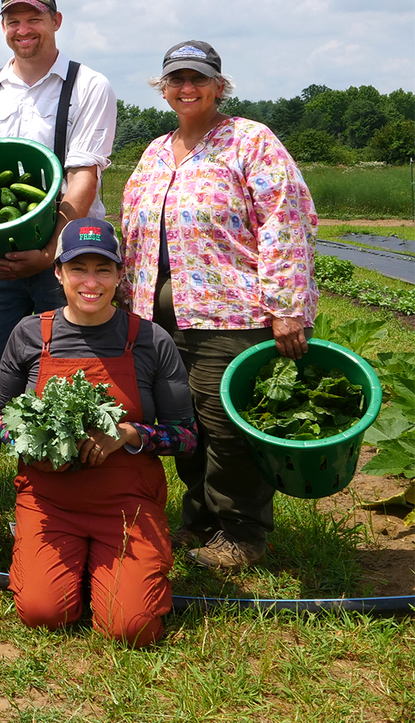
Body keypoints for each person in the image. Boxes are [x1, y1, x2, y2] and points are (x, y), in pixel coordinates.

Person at [120, 40, 318, 570]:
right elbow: (133, 231)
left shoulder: (249, 140)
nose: (187, 88)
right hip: (158, 320)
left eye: (198, 78)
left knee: (225, 427)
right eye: (177, 79)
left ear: (219, 86)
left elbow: (286, 221)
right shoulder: (155, 151)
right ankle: (201, 519)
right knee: (184, 424)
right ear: (163, 89)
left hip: (228, 314)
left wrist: (287, 306)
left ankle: (242, 531)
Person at [0, 0, 118, 505]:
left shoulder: (88, 84)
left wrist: (50, 254)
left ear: (56, 21)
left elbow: (83, 175)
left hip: (67, 257)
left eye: (34, 18)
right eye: (13, 20)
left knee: (72, 370)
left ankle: (70, 494)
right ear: (3, 27)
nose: (23, 30)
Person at [0, 221, 197, 647]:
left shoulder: (150, 339)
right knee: (43, 612)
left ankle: (108, 571)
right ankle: (76, 567)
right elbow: (0, 419)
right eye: (78, 269)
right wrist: (37, 441)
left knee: (132, 627)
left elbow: (185, 436)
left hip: (125, 502)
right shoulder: (29, 334)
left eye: (103, 270)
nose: (91, 282)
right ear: (58, 273)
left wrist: (129, 433)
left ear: (119, 274)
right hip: (49, 500)